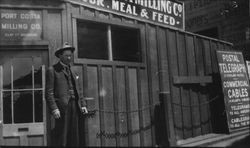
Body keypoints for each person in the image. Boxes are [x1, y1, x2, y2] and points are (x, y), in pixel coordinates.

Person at [46, 42, 88, 146]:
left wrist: (83, 105)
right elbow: (49, 92)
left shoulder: (74, 70)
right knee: (62, 135)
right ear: (60, 56)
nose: (69, 58)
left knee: (75, 134)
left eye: (70, 55)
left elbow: (79, 89)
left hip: (75, 105)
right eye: (66, 56)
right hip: (62, 107)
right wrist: (54, 108)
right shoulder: (52, 70)